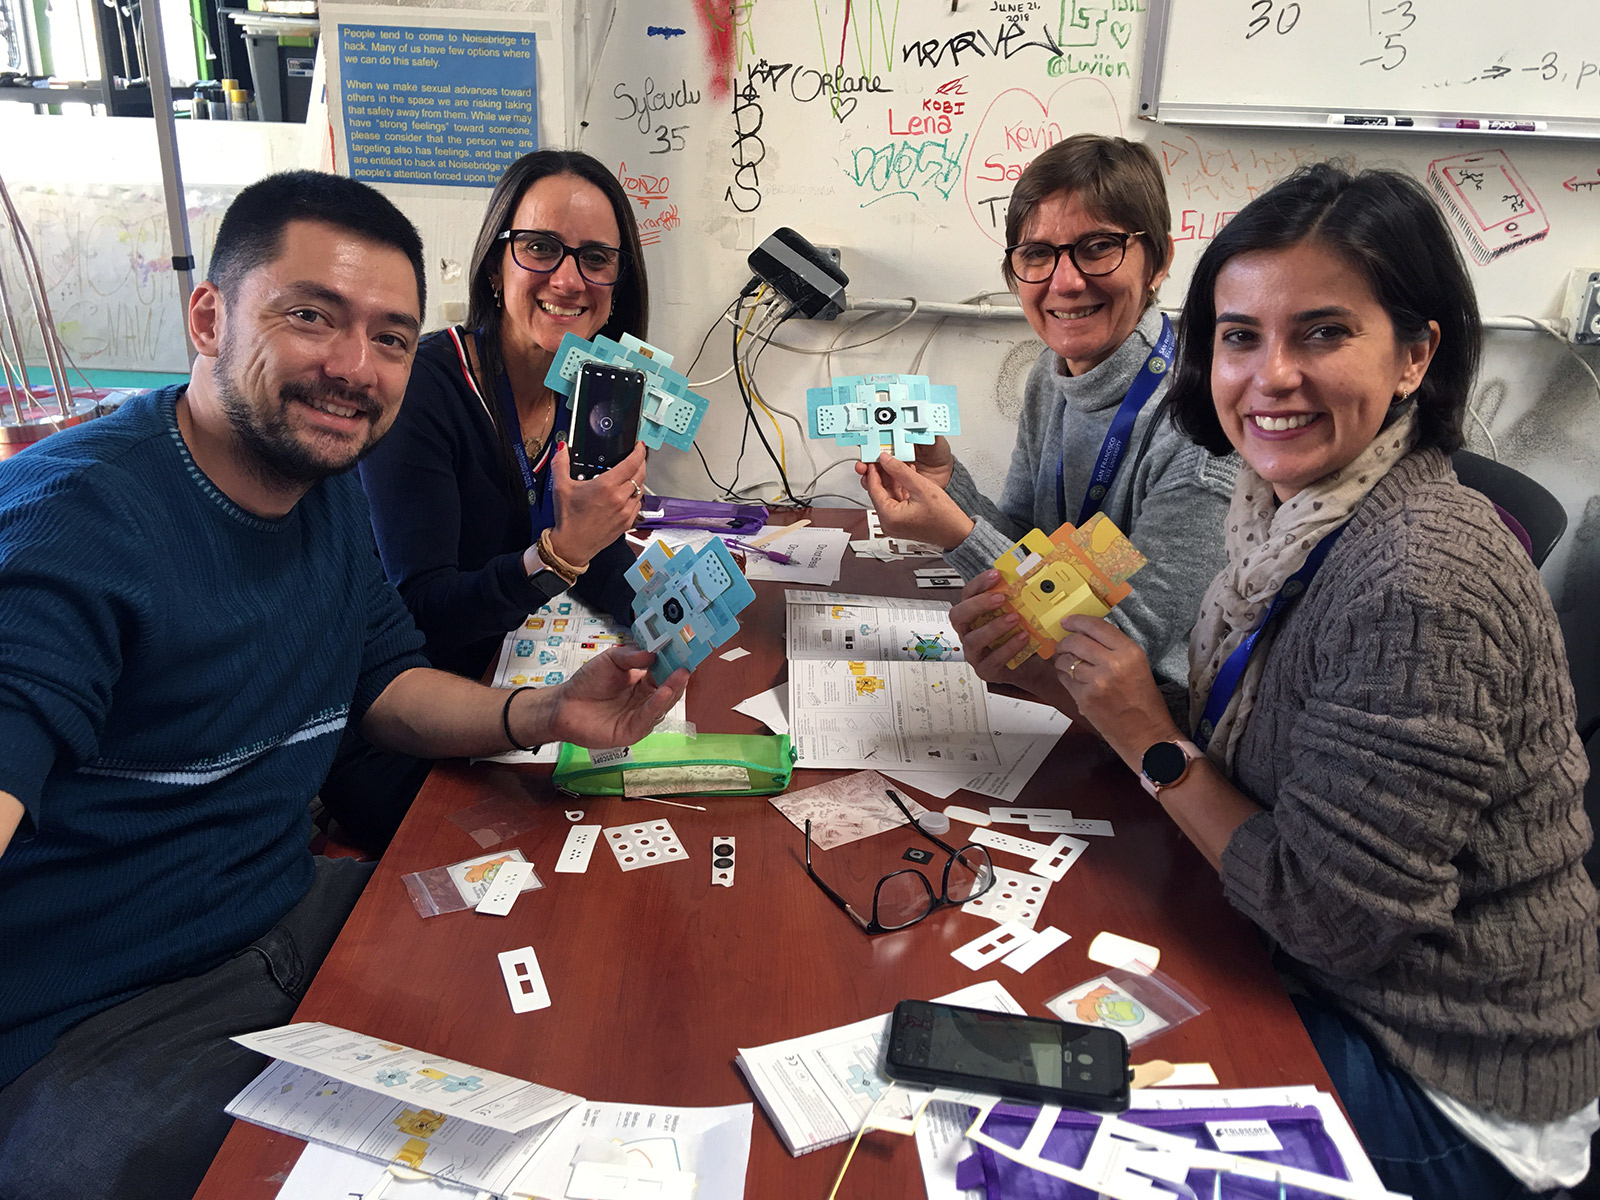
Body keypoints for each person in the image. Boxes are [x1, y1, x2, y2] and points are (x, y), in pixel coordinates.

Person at [0, 170, 687, 1200]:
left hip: (291, 915)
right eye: (310, 316)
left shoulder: (315, 485)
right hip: (96, 1025)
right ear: (208, 315)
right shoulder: (71, 528)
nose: (352, 368)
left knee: (592, 991)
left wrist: (545, 713)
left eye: (391, 338)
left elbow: (387, 682)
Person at [954, 163, 1600, 1198]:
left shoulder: (1417, 579)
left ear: (1414, 355)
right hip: (1311, 964)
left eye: (1322, 333)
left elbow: (1329, 916)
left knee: (1021, 1123)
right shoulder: (1283, 515)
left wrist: (1146, 739)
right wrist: (1076, 687)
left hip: (1443, 1081)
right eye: (1240, 336)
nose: (1269, 378)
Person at [322, 151, 650, 849]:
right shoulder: (424, 390)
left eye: (596, 258)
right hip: (408, 726)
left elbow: (600, 556)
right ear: (496, 266)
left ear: (617, 284)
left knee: (646, 795)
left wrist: (671, 621)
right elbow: (425, 617)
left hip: (515, 681)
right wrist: (559, 556)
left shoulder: (589, 391)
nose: (568, 279)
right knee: (568, 850)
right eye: (539, 248)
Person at [857, 134, 1236, 706]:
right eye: (1037, 254)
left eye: (1098, 246)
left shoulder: (1205, 421)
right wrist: (947, 487)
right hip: (1054, 693)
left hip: (1156, 729)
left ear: (1157, 261)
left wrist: (955, 533)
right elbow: (1029, 550)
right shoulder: (1049, 376)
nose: (1065, 282)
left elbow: (1120, 642)